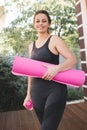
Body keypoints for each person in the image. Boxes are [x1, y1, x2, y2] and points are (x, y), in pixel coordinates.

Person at [23, 10, 77, 130]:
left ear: (49, 24)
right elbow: (30, 72)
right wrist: (28, 95)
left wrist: (56, 69)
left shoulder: (54, 40)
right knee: (46, 126)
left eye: (44, 21)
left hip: (55, 90)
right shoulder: (31, 46)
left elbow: (72, 59)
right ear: (34, 24)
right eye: (37, 21)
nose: (40, 23)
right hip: (36, 92)